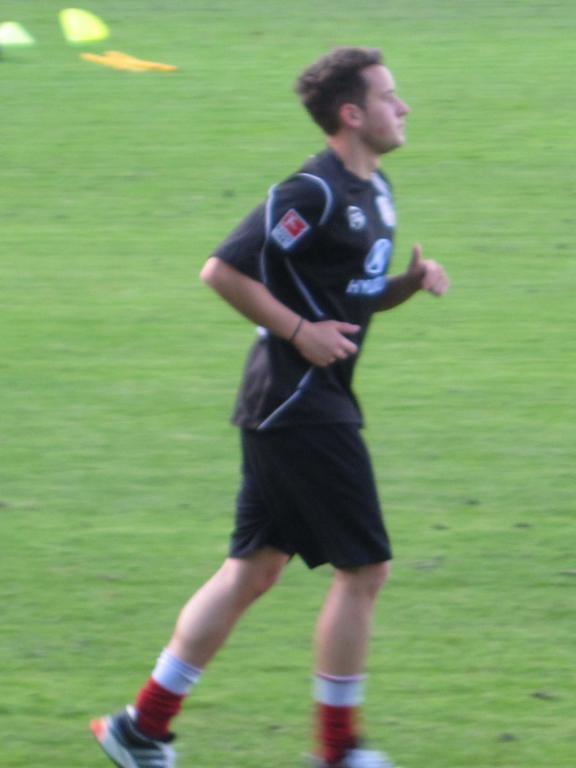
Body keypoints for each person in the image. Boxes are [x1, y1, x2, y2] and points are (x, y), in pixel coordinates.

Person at [90, 46, 449, 768]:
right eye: (389, 97)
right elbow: (222, 270)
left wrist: (406, 285)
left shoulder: (375, 191)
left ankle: (140, 728)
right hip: (297, 404)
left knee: (251, 571)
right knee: (364, 571)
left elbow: (349, 295)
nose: (403, 106)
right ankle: (338, 752)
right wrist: (298, 331)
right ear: (352, 114)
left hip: (296, 404)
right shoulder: (311, 191)